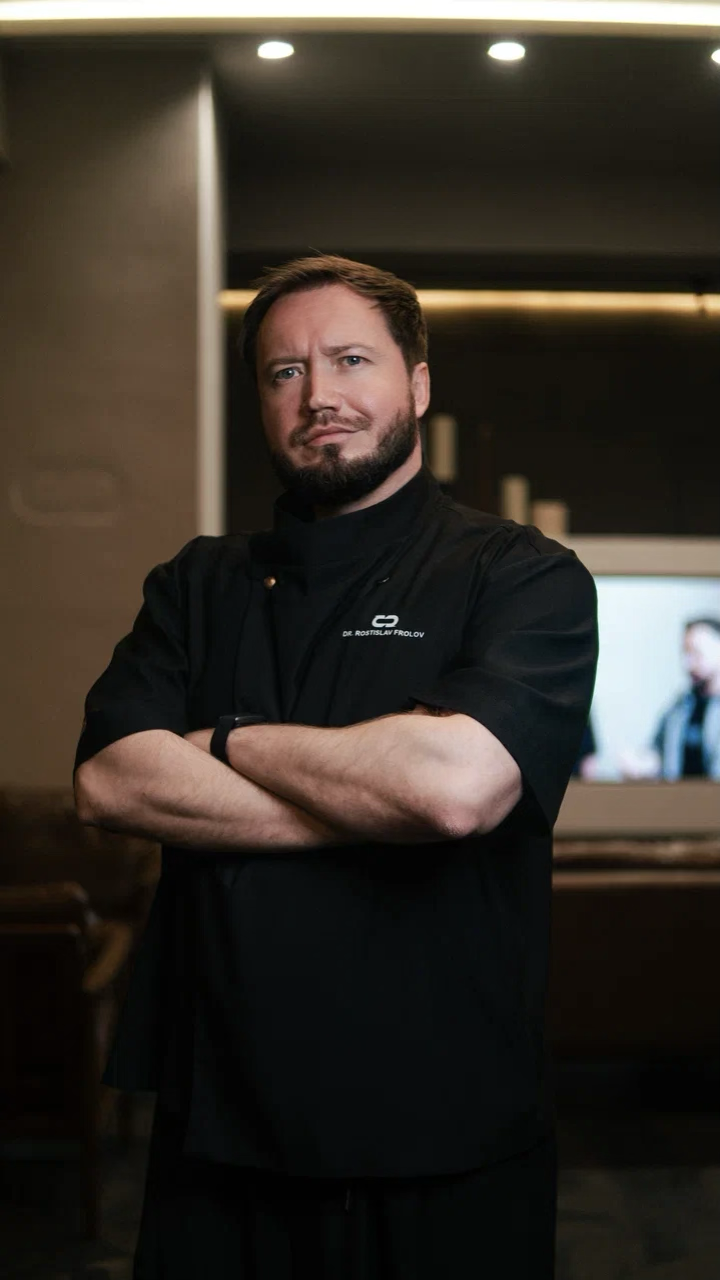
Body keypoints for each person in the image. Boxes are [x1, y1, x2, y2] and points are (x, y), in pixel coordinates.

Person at [74, 255, 598, 1279]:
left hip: (446, 1124)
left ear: (418, 382)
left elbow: (453, 789)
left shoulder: (520, 574)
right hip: (222, 1124)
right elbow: (111, 779)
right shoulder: (198, 582)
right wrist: (373, 800)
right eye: (285, 371)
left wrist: (225, 738)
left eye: (351, 360)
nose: (318, 394)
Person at [620, 618, 720, 780]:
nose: (688, 664)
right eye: (686, 653)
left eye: (697, 653)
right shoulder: (679, 708)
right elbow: (658, 754)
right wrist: (642, 765)